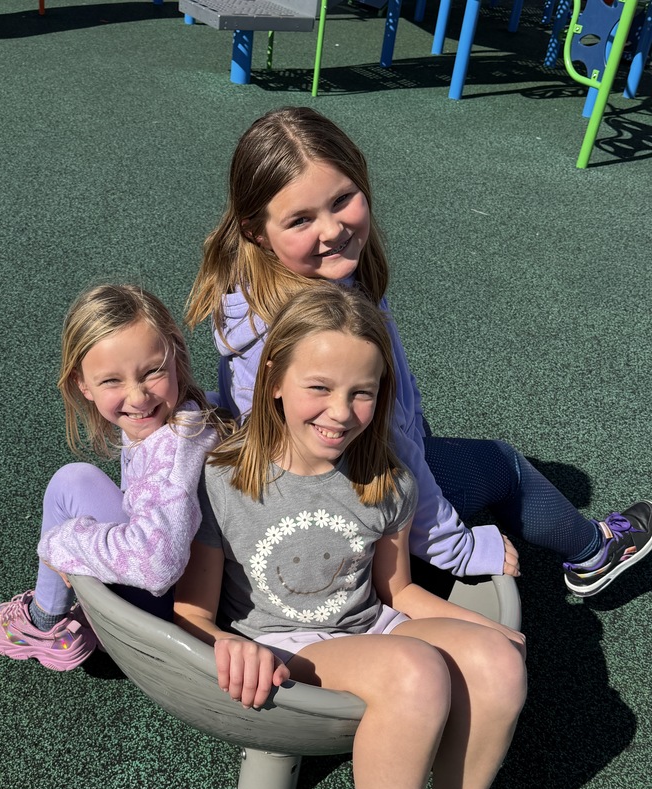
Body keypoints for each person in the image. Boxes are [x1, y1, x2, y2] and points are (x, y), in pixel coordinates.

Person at [174, 284, 528, 789]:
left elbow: (397, 592)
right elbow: (193, 610)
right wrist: (222, 645)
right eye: (319, 387)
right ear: (272, 380)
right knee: (416, 672)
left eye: (362, 393)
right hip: (285, 642)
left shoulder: (385, 475)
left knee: (498, 667)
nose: (340, 412)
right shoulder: (223, 477)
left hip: (368, 626)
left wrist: (485, 635)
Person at [186, 105, 652, 598]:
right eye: (301, 219)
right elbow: (390, 454)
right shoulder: (330, 324)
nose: (332, 230)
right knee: (502, 464)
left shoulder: (252, 295)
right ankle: (594, 552)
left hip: (300, 489)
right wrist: (455, 546)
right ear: (256, 230)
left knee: (422, 435)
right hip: (349, 502)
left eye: (342, 200)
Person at [0, 283, 227, 671]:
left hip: (173, 605)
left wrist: (63, 544)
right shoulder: (186, 413)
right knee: (79, 488)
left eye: (152, 372)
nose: (138, 396)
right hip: (189, 583)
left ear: (176, 357)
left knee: (71, 483)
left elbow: (157, 563)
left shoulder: (174, 449)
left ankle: (46, 624)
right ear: (84, 385)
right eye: (112, 381)